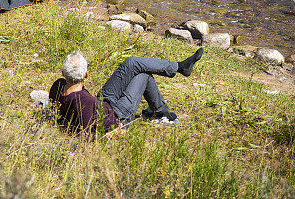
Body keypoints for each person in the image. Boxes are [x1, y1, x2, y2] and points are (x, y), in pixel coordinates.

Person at [48, 48, 204, 139]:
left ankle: (179, 67)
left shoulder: (58, 85)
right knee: (144, 76)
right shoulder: (85, 101)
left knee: (132, 63)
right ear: (87, 74)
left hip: (103, 101)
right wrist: (115, 132)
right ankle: (159, 112)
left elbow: (56, 110)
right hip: (118, 115)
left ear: (63, 73)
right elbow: (88, 135)